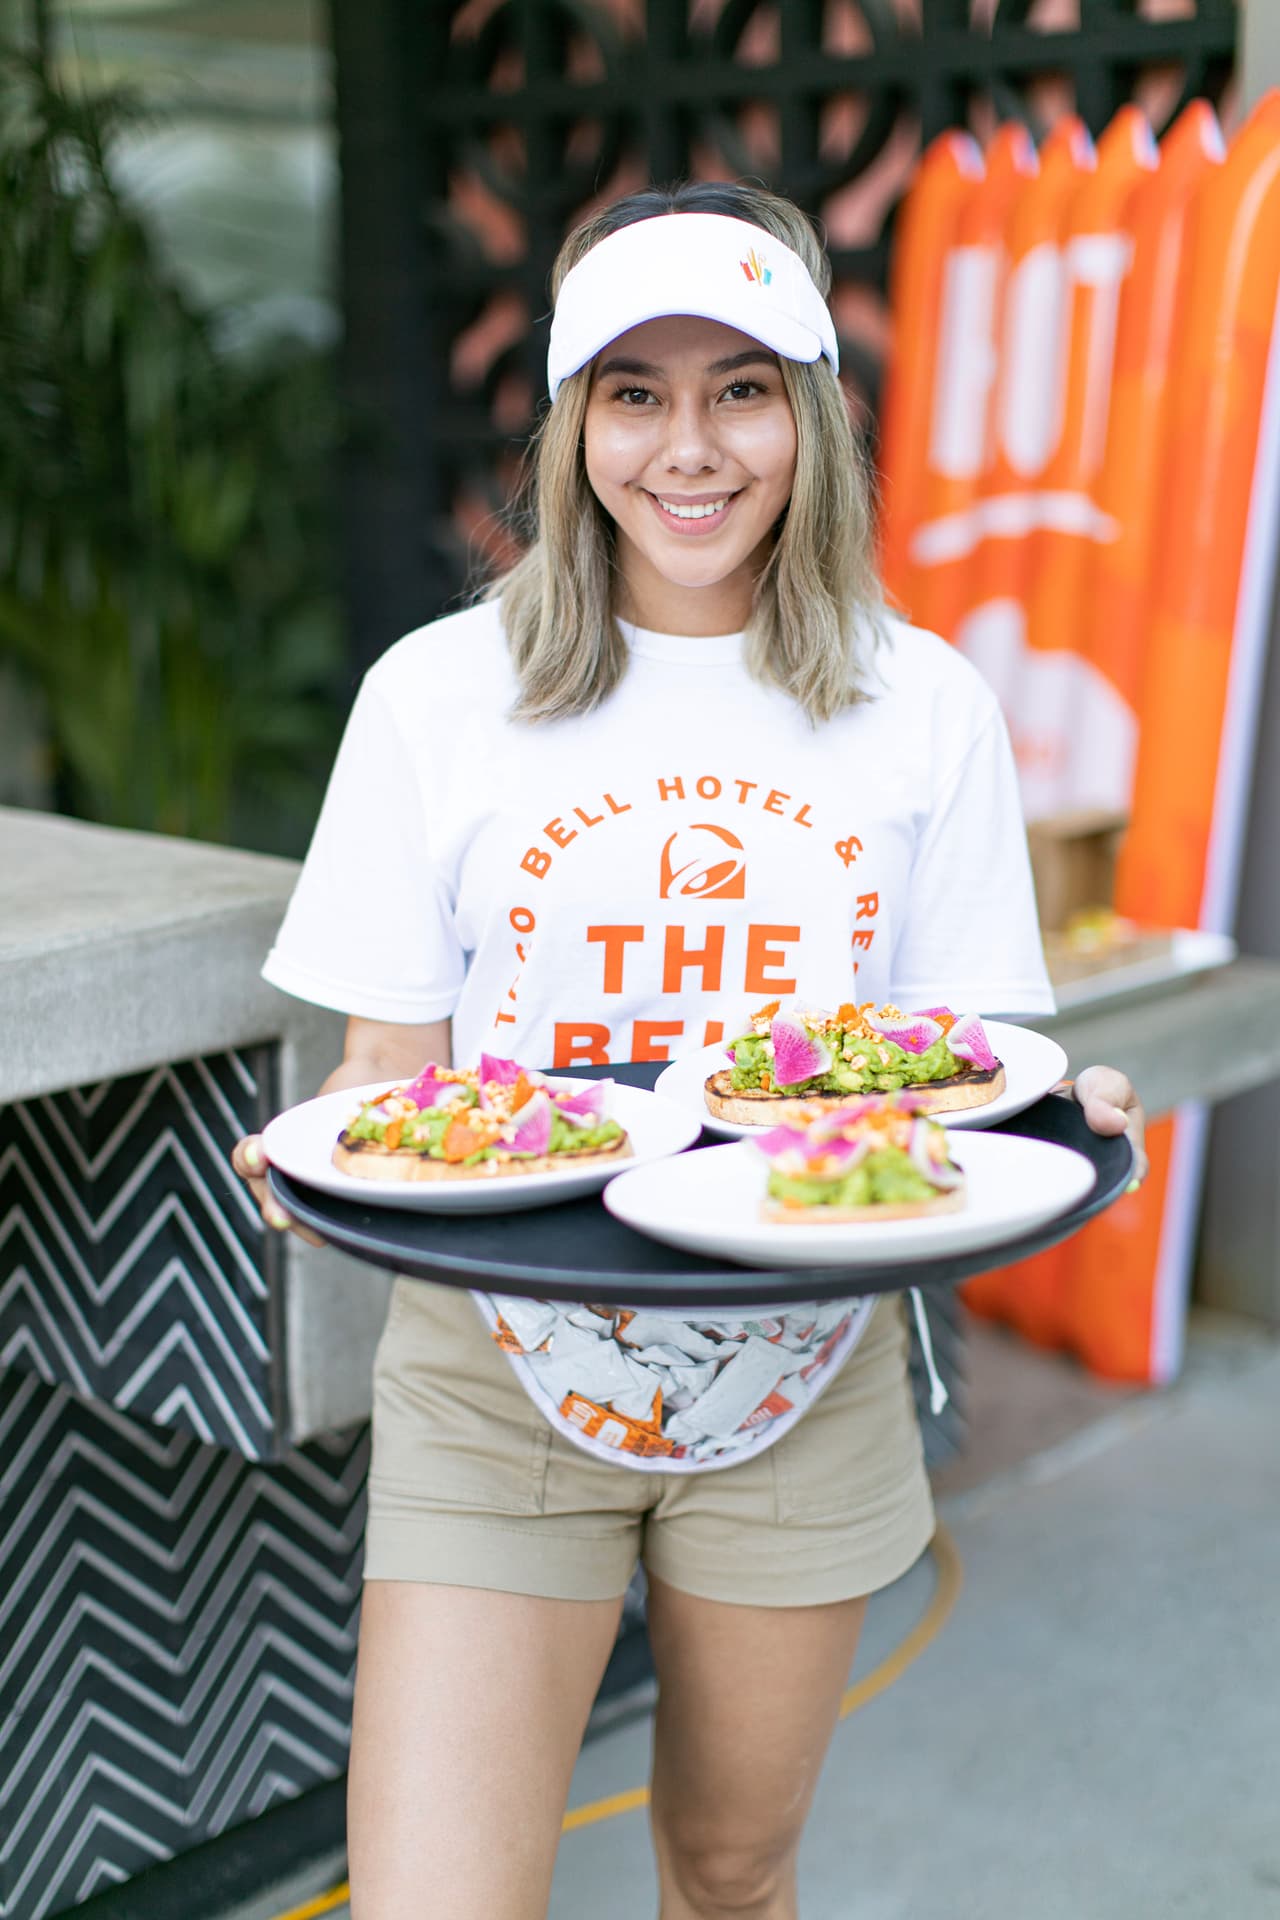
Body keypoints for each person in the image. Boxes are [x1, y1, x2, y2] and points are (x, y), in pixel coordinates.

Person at [233, 182, 1147, 1920]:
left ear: (811, 406)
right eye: (636, 393)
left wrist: (1065, 1115)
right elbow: (388, 1080)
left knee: (730, 1873)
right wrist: (321, 1155)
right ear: (577, 423)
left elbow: (963, 1077)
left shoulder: (921, 701)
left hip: (801, 1374)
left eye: (740, 385)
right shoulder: (438, 694)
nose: (691, 449)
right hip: (498, 1366)